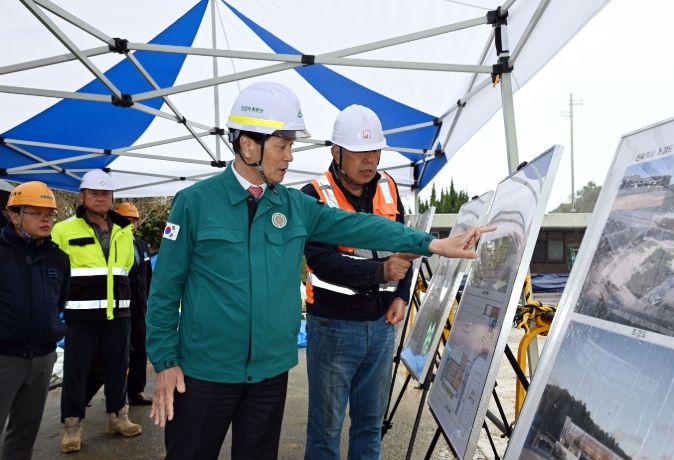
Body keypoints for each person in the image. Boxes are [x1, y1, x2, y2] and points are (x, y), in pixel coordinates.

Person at [146, 81, 492, 460]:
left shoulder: (294, 206)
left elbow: (361, 226)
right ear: (249, 146)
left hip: (269, 374)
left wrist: (431, 244)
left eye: (290, 146)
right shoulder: (194, 204)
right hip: (204, 372)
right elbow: (164, 291)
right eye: (283, 146)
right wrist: (166, 363)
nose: (290, 156)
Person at [301, 104, 416, 459]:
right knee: (326, 431)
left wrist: (401, 295)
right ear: (336, 153)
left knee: (369, 427)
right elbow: (322, 262)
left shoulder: (388, 187)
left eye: (375, 152)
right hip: (333, 327)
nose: (369, 161)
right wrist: (380, 273)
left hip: (382, 326)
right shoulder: (314, 195)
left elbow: (406, 246)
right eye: (359, 152)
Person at [52, 169, 142, 453]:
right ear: (83, 196)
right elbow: (54, 271)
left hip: (119, 314)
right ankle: (71, 426)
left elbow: (125, 268)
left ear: (112, 196)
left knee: (117, 367)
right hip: (81, 316)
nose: (100, 198)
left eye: (105, 193)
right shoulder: (63, 230)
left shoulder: (124, 230)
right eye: (94, 193)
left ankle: (118, 416)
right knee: (76, 372)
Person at [0, 182, 70, 460]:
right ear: (14, 216)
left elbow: (59, 302)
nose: (45, 220)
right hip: (5, 358)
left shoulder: (59, 259)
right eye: (36, 213)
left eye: (49, 214)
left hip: (42, 358)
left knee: (25, 434)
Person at [114, 202, 153, 406]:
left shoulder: (141, 245)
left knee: (139, 349)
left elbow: (148, 276)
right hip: (119, 307)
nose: (130, 224)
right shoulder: (111, 244)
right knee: (119, 352)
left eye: (133, 221)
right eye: (126, 220)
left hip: (140, 307)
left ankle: (136, 391)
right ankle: (115, 395)